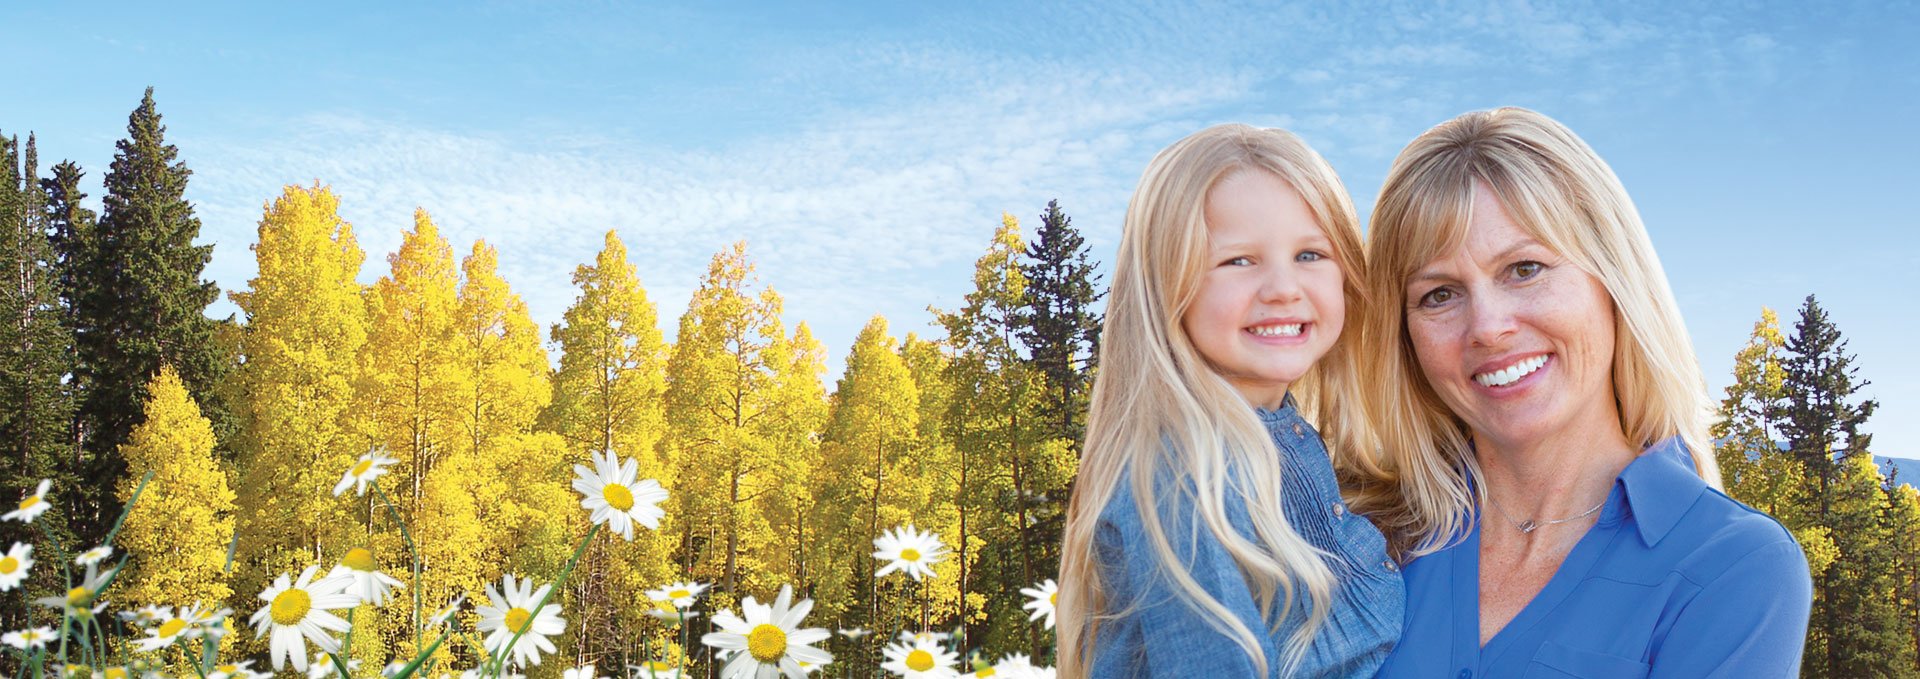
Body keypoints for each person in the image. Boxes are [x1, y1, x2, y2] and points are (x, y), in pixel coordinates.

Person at [1357, 107, 1813, 677]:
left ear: (1613, 282)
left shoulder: (1733, 567)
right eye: (1439, 294)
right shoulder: (1366, 540)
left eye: (1524, 269)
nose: (1487, 326)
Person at [1055, 123, 1402, 678]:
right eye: (1239, 261)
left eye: (1311, 254)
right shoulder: (1184, 479)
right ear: (1168, 286)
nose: (1283, 288)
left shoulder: (1288, 438)